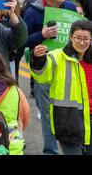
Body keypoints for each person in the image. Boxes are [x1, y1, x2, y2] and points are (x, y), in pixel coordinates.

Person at [23, 0, 77, 155]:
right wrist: (42, 34)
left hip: (68, 69)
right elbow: (21, 43)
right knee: (47, 115)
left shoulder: (70, 8)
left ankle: (74, 148)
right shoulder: (32, 13)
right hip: (44, 70)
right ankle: (51, 151)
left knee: (72, 111)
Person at [29, 20, 92, 155]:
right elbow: (42, 75)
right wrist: (37, 59)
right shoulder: (57, 56)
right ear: (70, 37)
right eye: (78, 38)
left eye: (86, 39)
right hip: (68, 120)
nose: (82, 42)